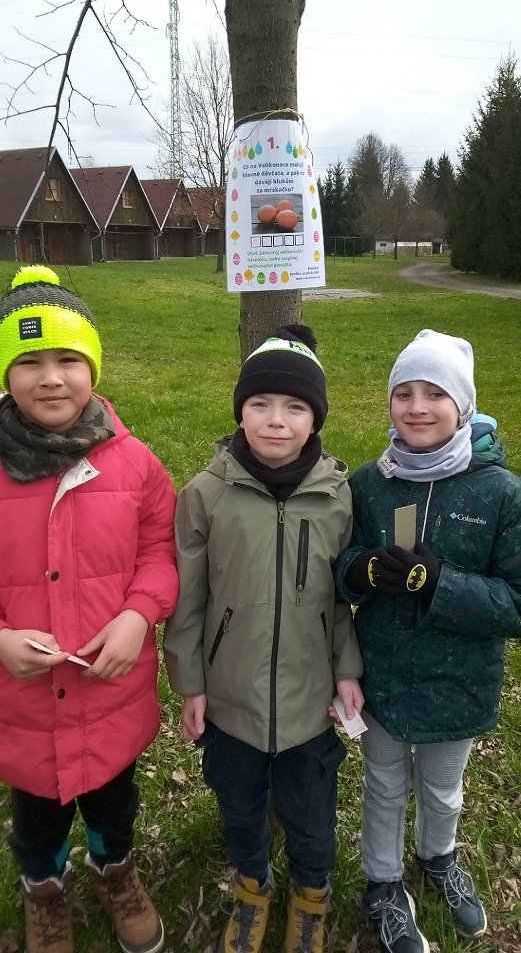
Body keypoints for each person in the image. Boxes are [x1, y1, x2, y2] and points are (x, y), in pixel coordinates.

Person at [164, 325, 363, 953]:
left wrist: (347, 669)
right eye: (260, 404)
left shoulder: (337, 497)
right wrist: (191, 684)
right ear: (240, 411)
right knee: (240, 808)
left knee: (311, 814)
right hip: (231, 703)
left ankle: (312, 895)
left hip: (309, 705)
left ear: (315, 418)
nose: (276, 421)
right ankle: (252, 885)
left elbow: (339, 602)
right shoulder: (206, 495)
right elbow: (188, 601)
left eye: (295, 406)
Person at [0, 265, 178, 953]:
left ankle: (115, 872)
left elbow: (159, 550)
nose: (51, 379)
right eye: (29, 362)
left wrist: (138, 614)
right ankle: (44, 891)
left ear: (93, 367)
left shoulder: (135, 465)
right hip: (23, 702)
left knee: (114, 802)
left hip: (110, 694)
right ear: (6, 375)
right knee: (36, 816)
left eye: (68, 360)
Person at [334, 328, 521, 953]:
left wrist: (441, 583)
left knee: (442, 787)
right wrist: (364, 571)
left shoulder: (500, 493)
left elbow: (515, 602)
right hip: (383, 674)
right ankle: (383, 883)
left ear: (463, 406)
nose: (417, 407)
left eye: (435, 394)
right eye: (404, 393)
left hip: (458, 683)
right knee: (384, 783)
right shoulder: (371, 483)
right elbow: (343, 566)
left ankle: (438, 856)